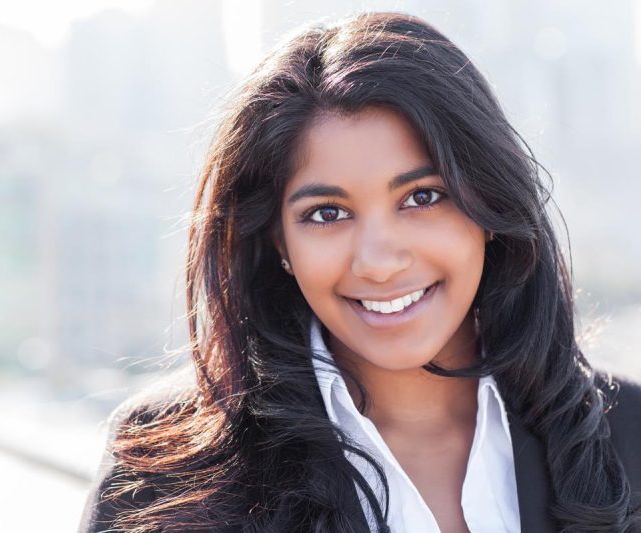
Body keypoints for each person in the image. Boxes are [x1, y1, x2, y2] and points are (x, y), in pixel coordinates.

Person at [78, 11, 641, 533]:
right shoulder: (162, 467)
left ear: (490, 207)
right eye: (327, 214)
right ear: (279, 241)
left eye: (422, 197)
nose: (378, 260)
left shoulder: (629, 433)